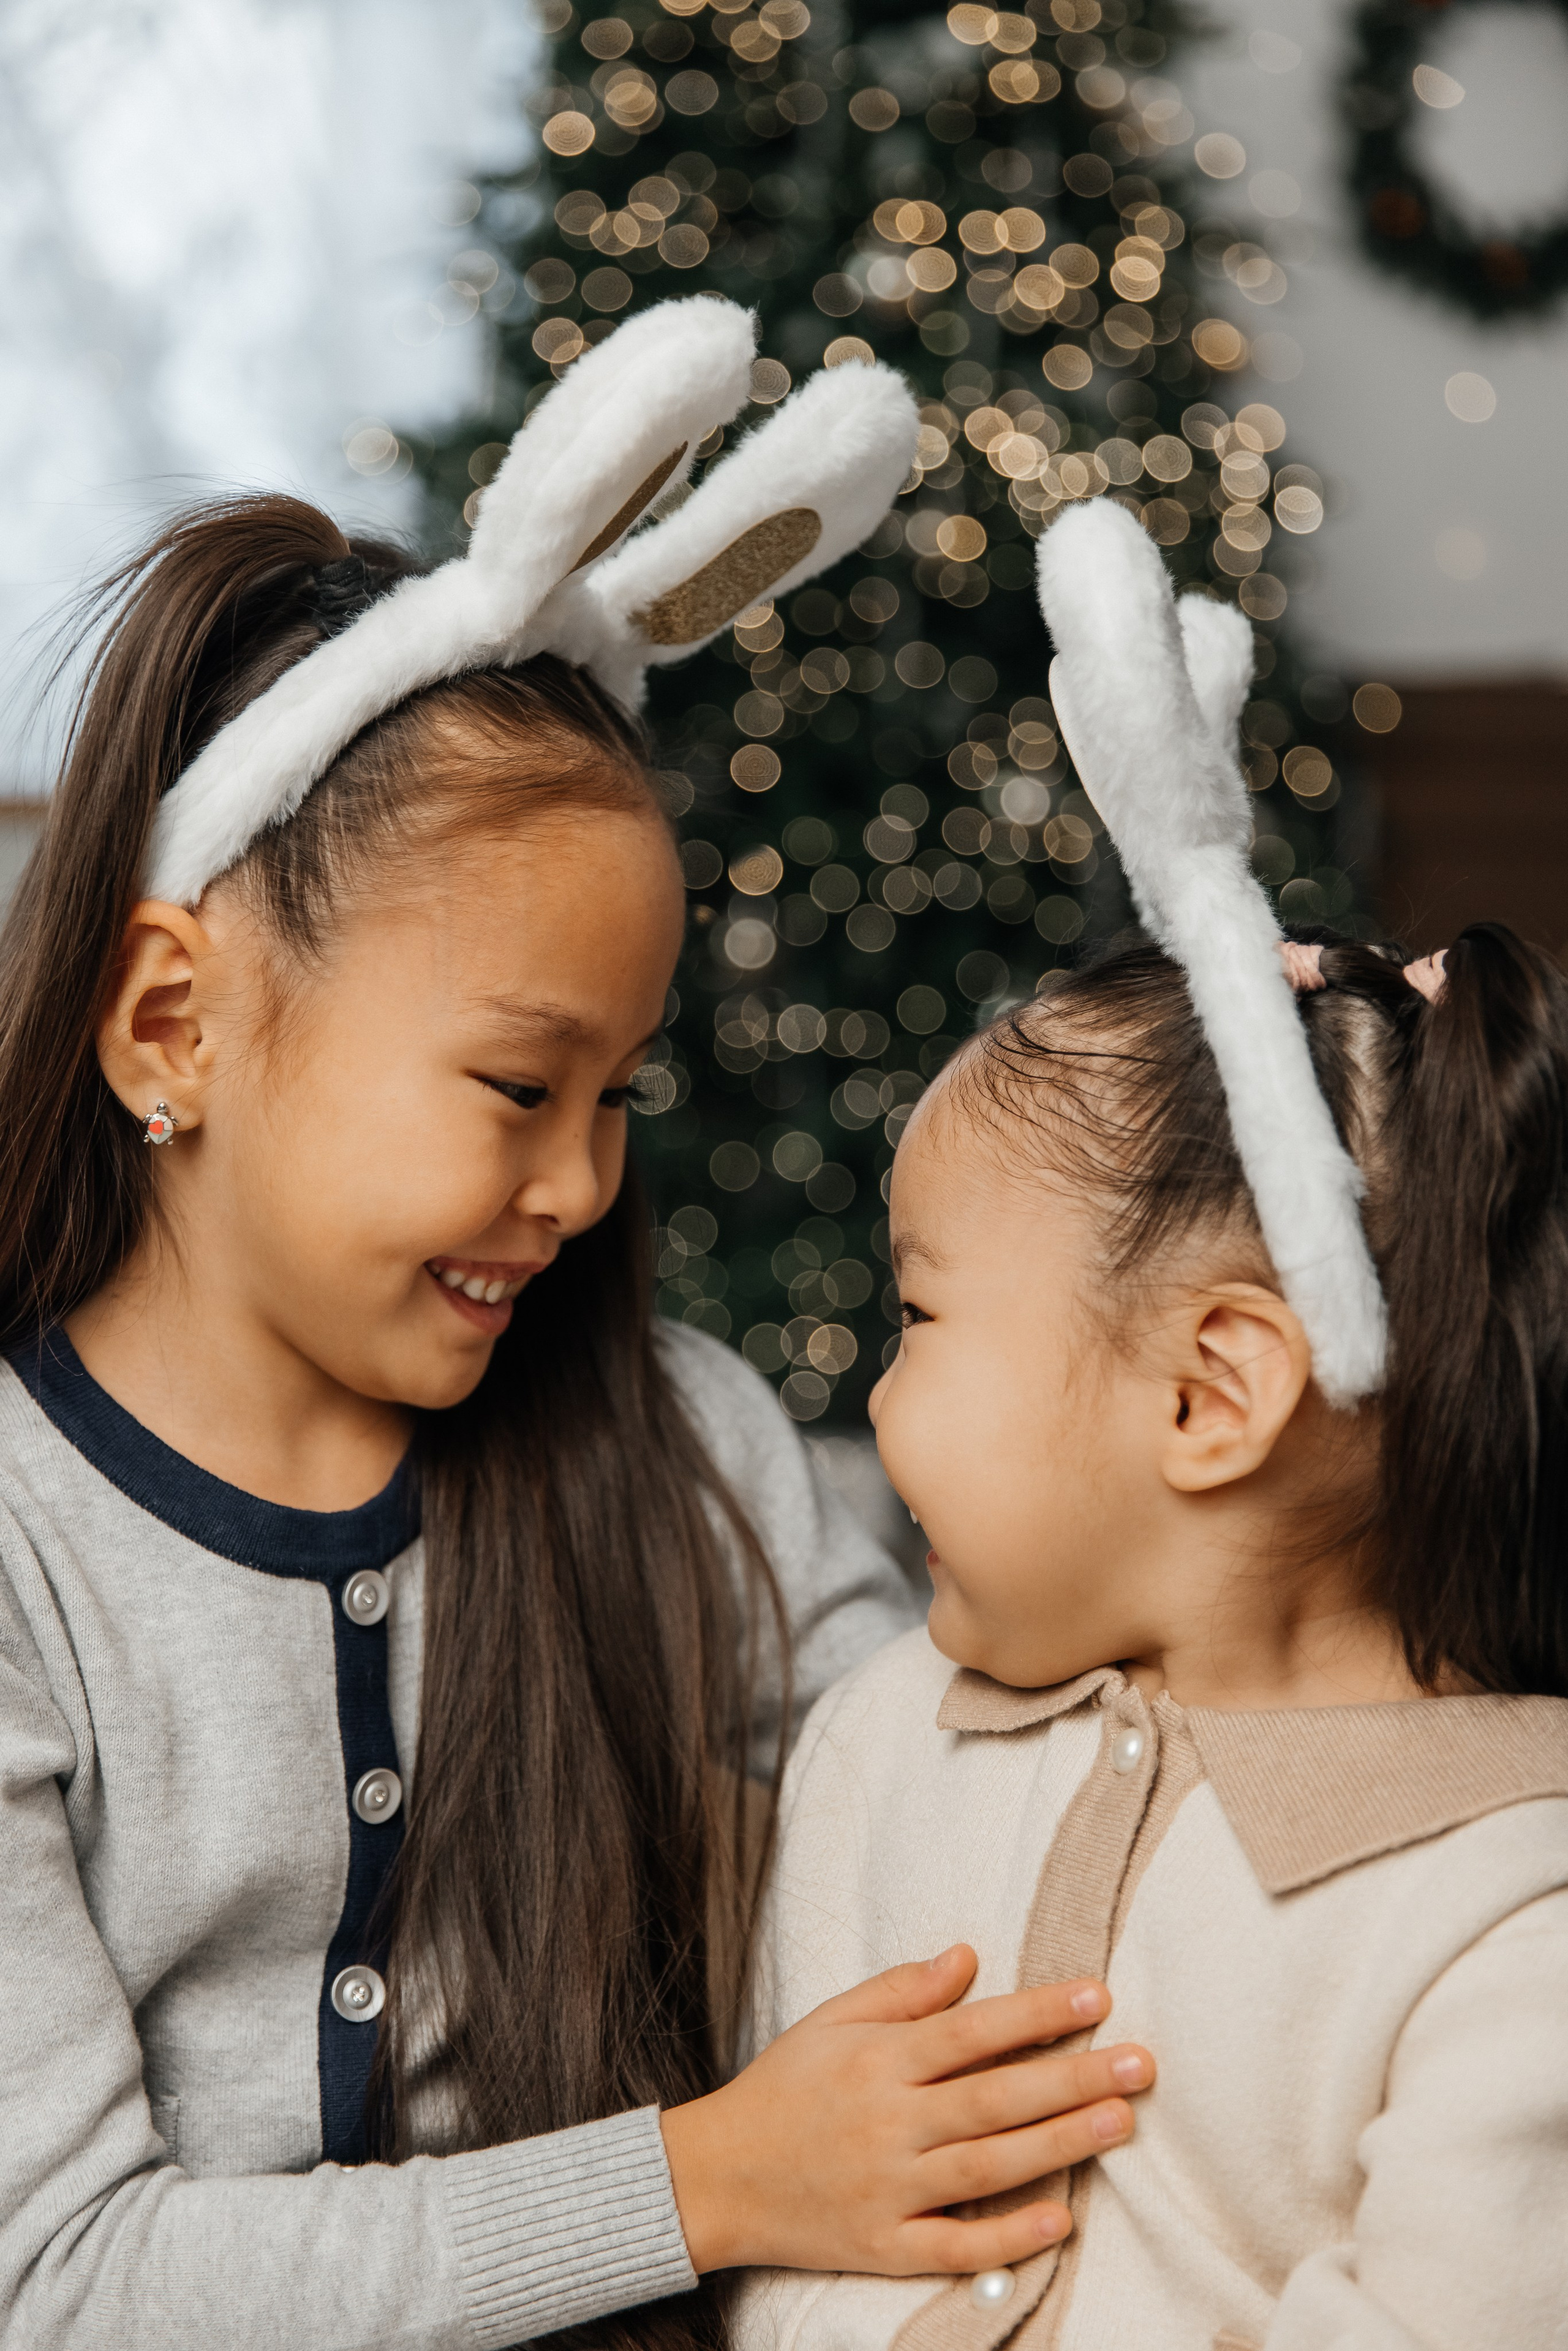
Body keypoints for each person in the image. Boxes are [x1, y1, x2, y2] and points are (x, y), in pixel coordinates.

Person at [0, 307, 1155, 2351]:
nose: (583, 1187)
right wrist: (710, 2179)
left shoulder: (684, 1445)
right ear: (173, 1022)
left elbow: (964, 1780)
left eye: (620, 1097)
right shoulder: (24, 1552)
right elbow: (61, 2283)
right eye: (519, 1089)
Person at [733, 500, 1568, 2351]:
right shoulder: (890, 1741)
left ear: (1207, 1394)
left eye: (920, 1317)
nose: (874, 1396)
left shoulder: (1513, 1916)